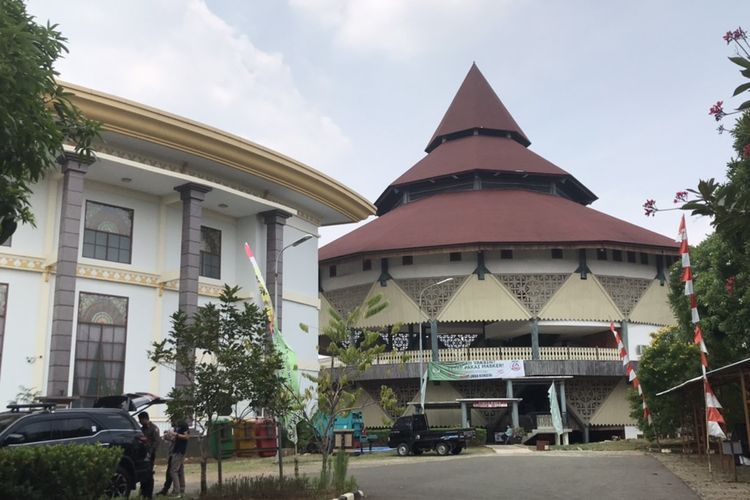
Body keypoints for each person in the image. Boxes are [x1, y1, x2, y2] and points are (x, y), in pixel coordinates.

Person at [138, 412, 160, 498]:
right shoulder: (141, 429)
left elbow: (156, 442)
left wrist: (150, 452)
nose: (140, 422)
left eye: (141, 420)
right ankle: (143, 493)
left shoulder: (154, 428)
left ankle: (149, 494)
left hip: (150, 454)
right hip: (142, 454)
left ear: (145, 419)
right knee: (143, 474)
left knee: (149, 474)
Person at [168, 420, 189, 497]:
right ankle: (182, 488)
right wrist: (171, 437)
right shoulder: (177, 426)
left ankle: (177, 491)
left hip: (179, 451)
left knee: (173, 471)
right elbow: (177, 438)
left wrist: (176, 434)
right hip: (176, 450)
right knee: (180, 470)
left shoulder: (183, 424)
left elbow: (186, 436)